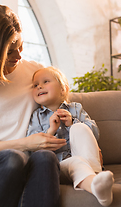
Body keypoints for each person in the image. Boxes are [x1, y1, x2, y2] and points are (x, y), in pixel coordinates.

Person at [0, 4, 66, 207]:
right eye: (10, 52)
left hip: (28, 160)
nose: (18, 56)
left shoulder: (36, 72)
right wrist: (24, 144)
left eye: (20, 46)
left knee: (46, 159)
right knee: (13, 159)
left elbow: (59, 103)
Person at [27, 66, 114, 206]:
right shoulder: (36, 116)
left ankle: (97, 184)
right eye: (35, 85)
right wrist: (51, 130)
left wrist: (73, 122)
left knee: (80, 128)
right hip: (60, 165)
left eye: (45, 82)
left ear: (63, 88)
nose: (39, 87)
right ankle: (96, 183)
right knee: (76, 162)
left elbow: (94, 134)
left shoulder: (76, 108)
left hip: (87, 161)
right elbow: (32, 148)